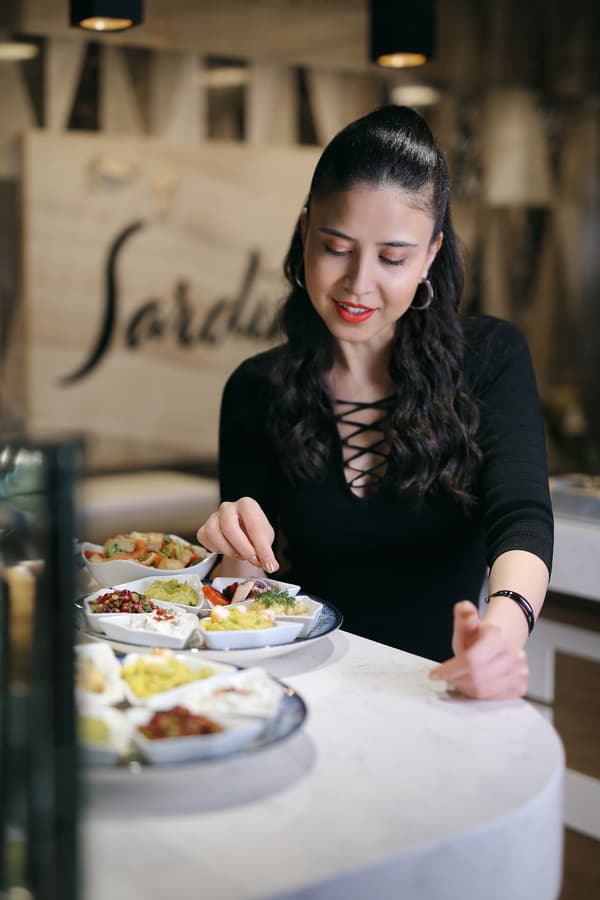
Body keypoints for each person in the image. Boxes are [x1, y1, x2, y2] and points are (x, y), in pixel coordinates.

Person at [197, 105, 553, 700]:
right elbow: (249, 592)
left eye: (392, 258)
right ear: (305, 230)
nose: (359, 284)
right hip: (301, 697)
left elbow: (521, 519)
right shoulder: (254, 388)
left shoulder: (491, 358)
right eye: (336, 247)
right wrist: (230, 548)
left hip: (440, 693)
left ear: (431, 254)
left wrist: (502, 631)